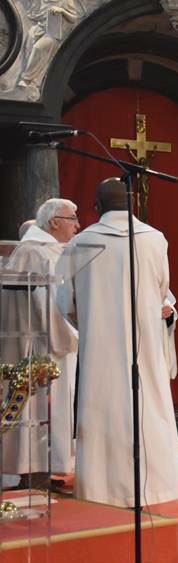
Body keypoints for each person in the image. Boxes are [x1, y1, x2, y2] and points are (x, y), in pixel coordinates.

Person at [56, 179, 178, 506]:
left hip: (100, 349)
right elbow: (162, 290)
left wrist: (92, 326)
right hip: (145, 345)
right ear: (132, 203)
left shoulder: (80, 243)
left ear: (96, 206)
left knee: (103, 407)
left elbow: (65, 303)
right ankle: (155, 486)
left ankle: (101, 489)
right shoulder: (155, 239)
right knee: (147, 406)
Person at [2, 200, 79, 490]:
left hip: (43, 342)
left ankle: (44, 468)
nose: (77, 225)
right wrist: (73, 335)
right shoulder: (35, 250)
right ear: (54, 221)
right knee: (36, 409)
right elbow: (45, 303)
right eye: (72, 218)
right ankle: (30, 471)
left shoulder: (46, 249)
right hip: (37, 345)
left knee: (48, 409)